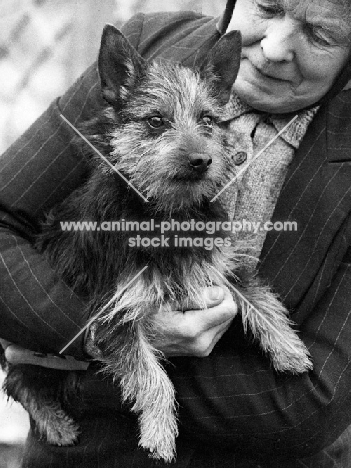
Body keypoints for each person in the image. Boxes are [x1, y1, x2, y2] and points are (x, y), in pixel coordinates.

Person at [1, 0, 351, 466]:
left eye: (320, 35)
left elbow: (307, 406)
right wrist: (84, 337)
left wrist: (78, 380)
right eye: (267, 7)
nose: (272, 48)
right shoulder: (150, 43)